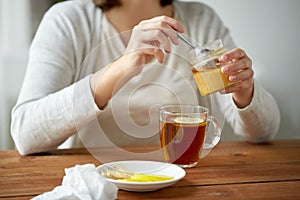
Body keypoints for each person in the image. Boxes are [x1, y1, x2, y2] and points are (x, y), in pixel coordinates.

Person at [11, 0, 280, 155]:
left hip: (183, 180)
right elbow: (25, 133)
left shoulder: (199, 18)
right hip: (93, 182)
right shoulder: (68, 20)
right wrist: (122, 67)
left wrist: (243, 91)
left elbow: (263, 132)